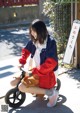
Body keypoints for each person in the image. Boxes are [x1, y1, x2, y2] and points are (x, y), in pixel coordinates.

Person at [11, 19, 59, 107]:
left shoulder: (50, 43)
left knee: (21, 87)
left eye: (34, 31)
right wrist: (22, 62)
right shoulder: (34, 40)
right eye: (31, 31)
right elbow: (26, 51)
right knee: (13, 82)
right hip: (37, 70)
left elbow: (51, 63)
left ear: (40, 31)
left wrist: (35, 72)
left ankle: (51, 93)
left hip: (48, 74)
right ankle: (39, 91)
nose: (32, 33)